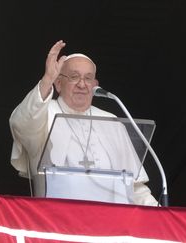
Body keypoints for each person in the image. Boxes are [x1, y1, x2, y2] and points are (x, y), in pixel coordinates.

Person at [9, 40, 158, 206]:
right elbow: (22, 124)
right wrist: (47, 79)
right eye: (74, 77)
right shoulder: (44, 113)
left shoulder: (112, 122)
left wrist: (159, 214)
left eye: (88, 79)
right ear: (58, 83)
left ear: (95, 86)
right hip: (57, 217)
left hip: (112, 220)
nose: (82, 84)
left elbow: (135, 186)